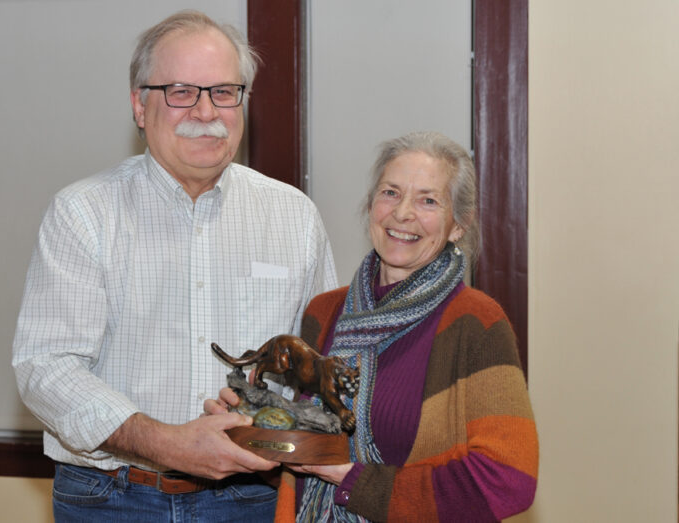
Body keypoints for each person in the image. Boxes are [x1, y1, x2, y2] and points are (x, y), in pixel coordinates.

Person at [12, 10, 337, 522]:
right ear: (140, 106)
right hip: (111, 499)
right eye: (181, 91)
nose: (206, 111)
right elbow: (46, 366)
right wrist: (166, 444)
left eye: (224, 92)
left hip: (255, 498)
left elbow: (321, 363)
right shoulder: (83, 214)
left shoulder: (294, 216)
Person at [207, 131, 538, 522]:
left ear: (457, 225)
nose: (402, 213)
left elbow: (507, 479)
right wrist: (252, 422)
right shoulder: (324, 312)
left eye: (428, 200)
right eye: (391, 193)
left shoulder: (476, 323)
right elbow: (301, 457)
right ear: (370, 206)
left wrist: (354, 483)